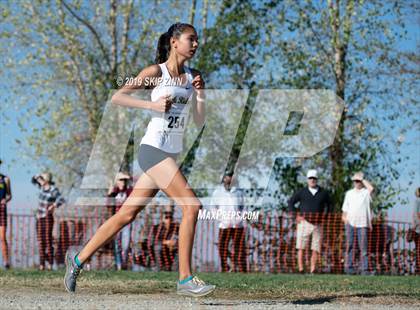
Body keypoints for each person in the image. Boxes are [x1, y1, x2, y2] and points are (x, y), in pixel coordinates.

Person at [64, 22, 215, 297]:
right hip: (152, 150)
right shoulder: (155, 73)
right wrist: (152, 105)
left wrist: (202, 93)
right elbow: (118, 97)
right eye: (191, 39)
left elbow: (199, 119)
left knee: (126, 215)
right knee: (192, 206)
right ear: (174, 41)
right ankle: (185, 278)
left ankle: (76, 261)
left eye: (197, 40)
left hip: (170, 154)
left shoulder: (194, 77)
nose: (195, 44)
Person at [288, 169, 332, 274]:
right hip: (304, 223)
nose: (312, 180)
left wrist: (325, 218)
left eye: (314, 178)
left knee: (316, 248)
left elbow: (330, 205)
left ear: (317, 179)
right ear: (307, 180)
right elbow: (291, 203)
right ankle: (301, 269)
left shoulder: (323, 193)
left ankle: (313, 269)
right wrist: (296, 215)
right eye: (310, 178)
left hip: (318, 224)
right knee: (301, 247)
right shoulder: (302, 192)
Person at [210, 172, 247, 272]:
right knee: (222, 248)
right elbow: (213, 208)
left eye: (231, 176)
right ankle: (225, 269)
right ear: (223, 178)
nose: (229, 179)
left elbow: (244, 208)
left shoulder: (239, 192)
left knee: (240, 249)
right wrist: (222, 219)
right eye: (227, 176)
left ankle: (242, 271)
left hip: (238, 226)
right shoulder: (217, 192)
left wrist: (239, 219)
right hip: (224, 225)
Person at [342, 171, 374, 275]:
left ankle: (365, 269)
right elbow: (345, 208)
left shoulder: (366, 192)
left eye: (359, 181)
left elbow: (371, 189)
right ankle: (349, 268)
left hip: (363, 223)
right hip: (350, 223)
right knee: (350, 246)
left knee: (363, 247)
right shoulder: (349, 193)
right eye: (355, 181)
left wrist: (362, 178)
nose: (357, 182)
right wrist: (345, 219)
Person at [34, 172, 65, 270]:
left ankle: (50, 264)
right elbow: (34, 178)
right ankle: (42, 264)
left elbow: (61, 199)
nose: (40, 181)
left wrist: (53, 206)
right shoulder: (42, 188)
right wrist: (40, 177)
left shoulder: (53, 189)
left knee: (48, 240)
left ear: (46, 179)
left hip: (48, 217)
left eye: (42, 179)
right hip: (39, 217)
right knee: (41, 241)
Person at [107, 172, 133, 270]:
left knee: (125, 246)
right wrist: (109, 194)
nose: (123, 182)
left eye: (124, 180)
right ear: (116, 182)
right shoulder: (114, 192)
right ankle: (119, 266)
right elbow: (108, 206)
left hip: (127, 222)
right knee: (117, 246)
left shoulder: (129, 191)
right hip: (116, 222)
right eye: (121, 180)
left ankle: (124, 264)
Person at [152, 202, 179, 271]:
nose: (169, 219)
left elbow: (179, 239)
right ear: (163, 219)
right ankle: (158, 268)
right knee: (158, 247)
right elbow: (154, 241)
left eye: (170, 217)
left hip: (173, 248)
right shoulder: (157, 228)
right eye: (166, 217)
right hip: (162, 247)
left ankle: (174, 270)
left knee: (180, 250)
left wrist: (174, 243)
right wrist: (166, 242)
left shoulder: (176, 227)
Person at [0, 159, 12, 269]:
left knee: (2, 237)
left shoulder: (5, 179)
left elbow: (9, 196)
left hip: (2, 210)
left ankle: (6, 262)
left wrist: (5, 200)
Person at [413, 188, 420, 275]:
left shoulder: (417, 201)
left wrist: (415, 225)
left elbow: (415, 214)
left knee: (418, 250)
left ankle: (418, 269)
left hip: (418, 230)